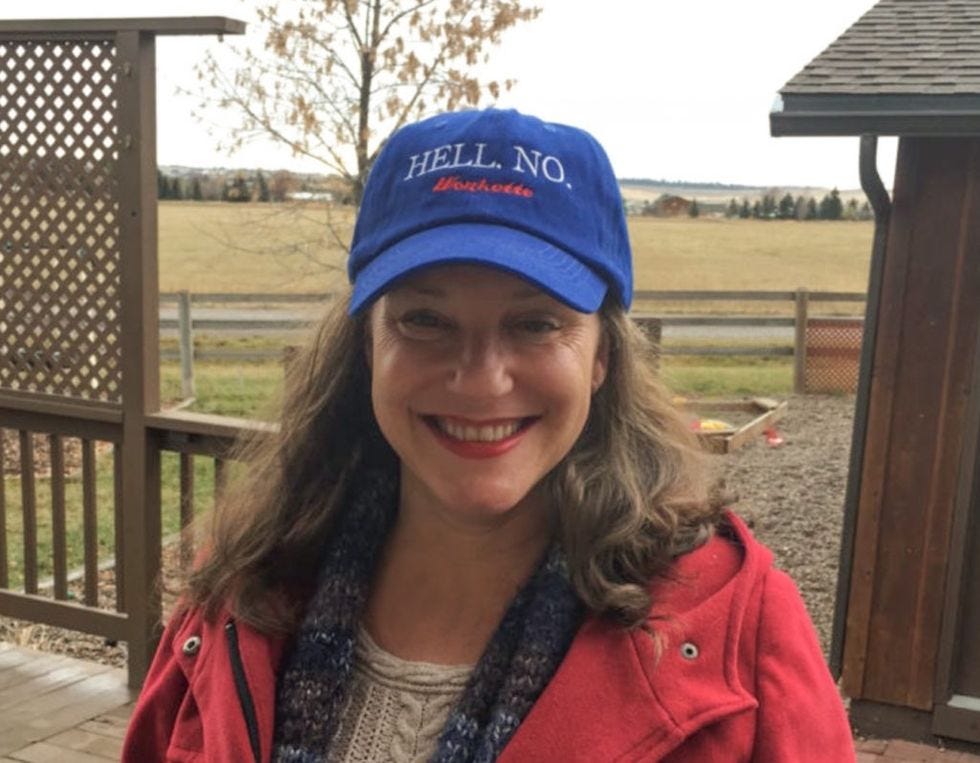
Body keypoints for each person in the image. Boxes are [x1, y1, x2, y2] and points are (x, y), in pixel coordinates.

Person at [122, 109, 855, 762]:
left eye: (535, 323)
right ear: (367, 345)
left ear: (601, 356)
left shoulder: (742, 630)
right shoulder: (242, 591)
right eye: (425, 320)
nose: (481, 381)